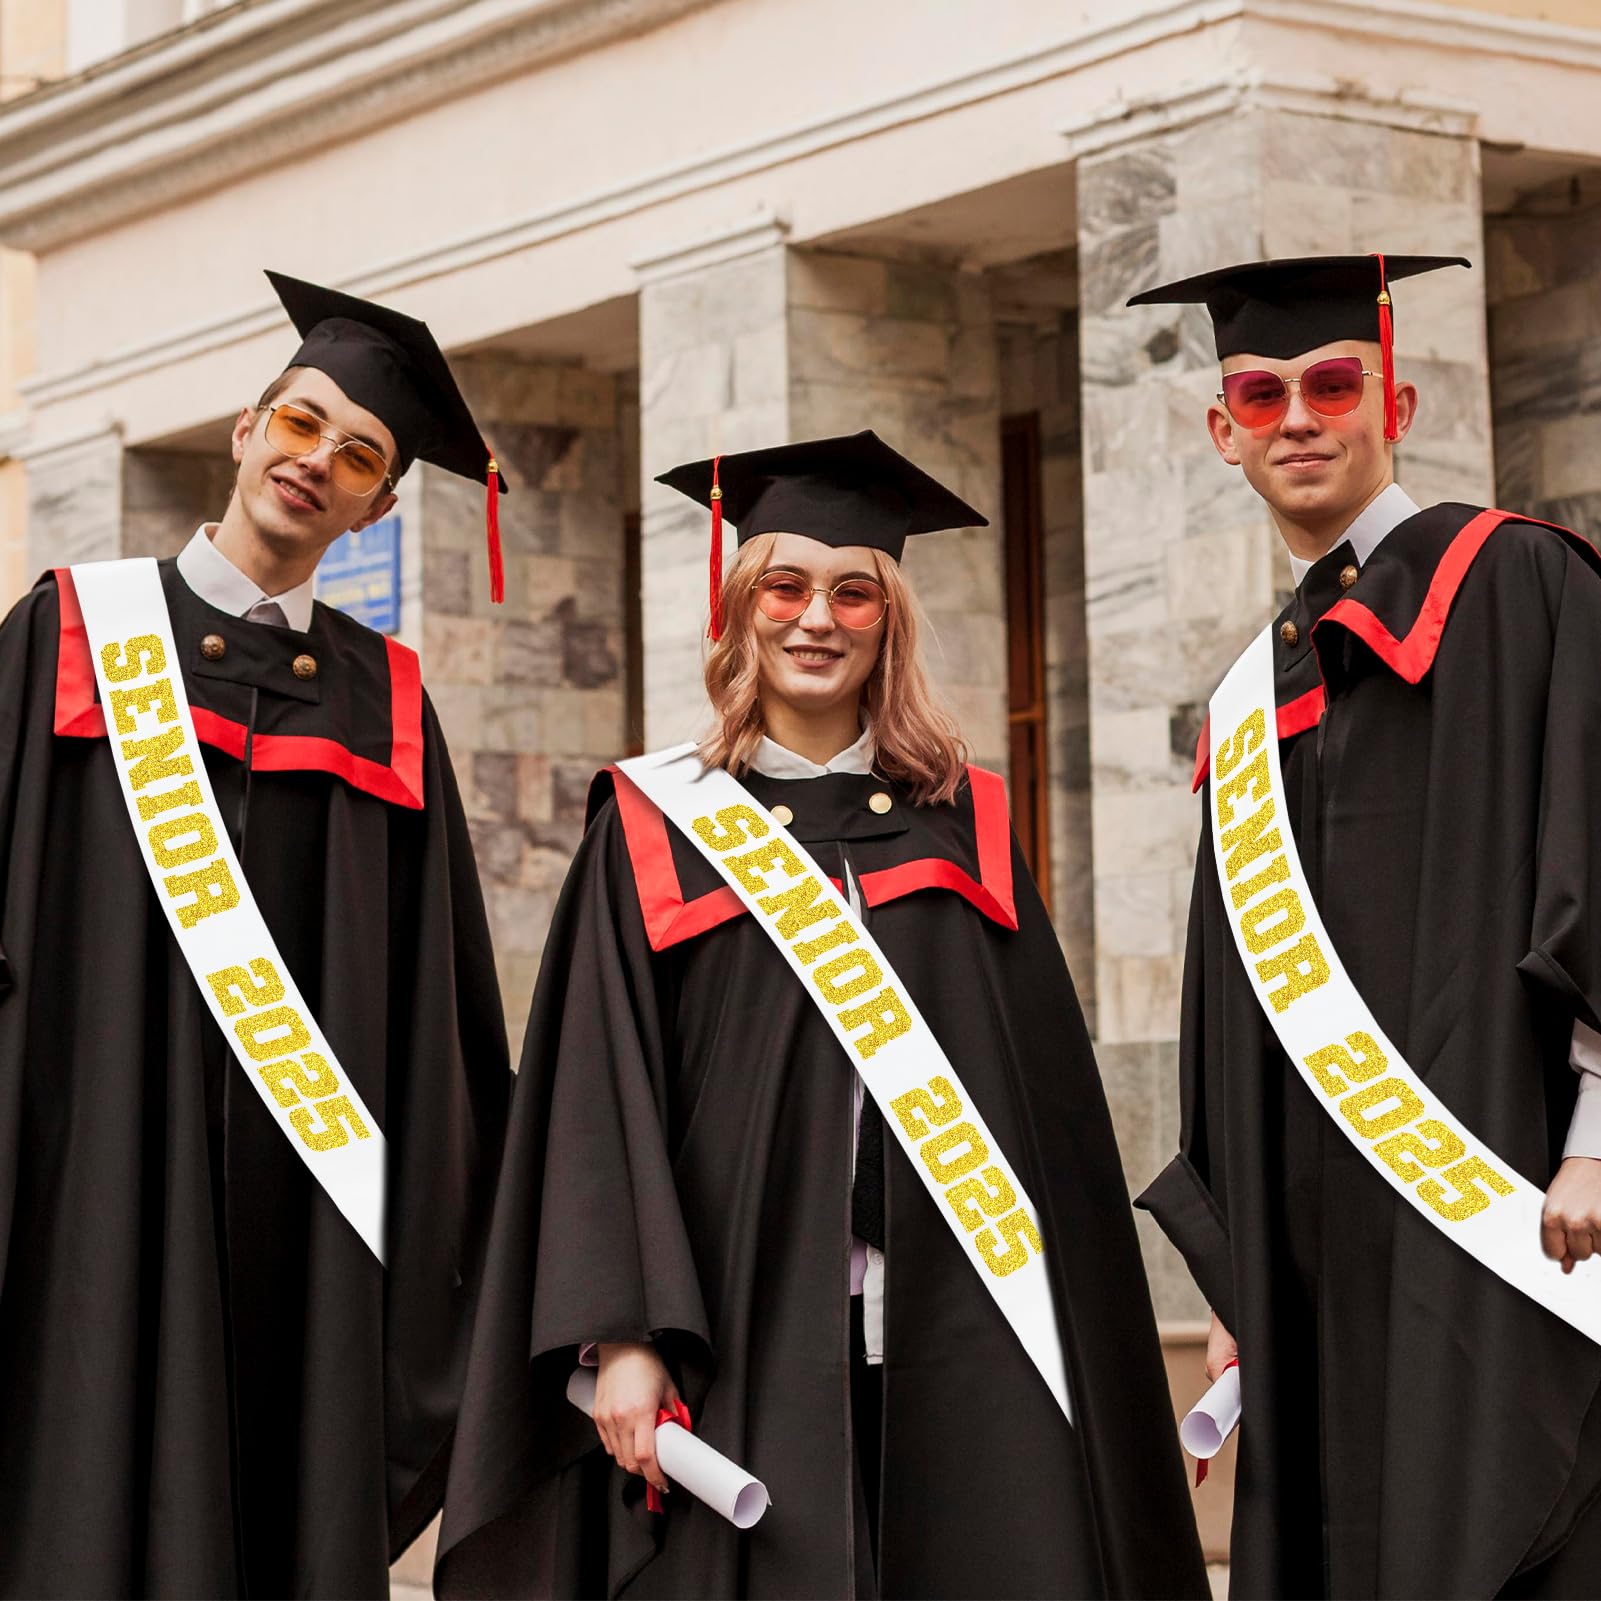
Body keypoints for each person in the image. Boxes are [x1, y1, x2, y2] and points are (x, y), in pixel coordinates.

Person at [434, 430, 1207, 1600]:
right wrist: (626, 1333)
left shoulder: (968, 827)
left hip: (963, 1312)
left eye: (853, 592)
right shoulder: (652, 824)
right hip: (737, 1308)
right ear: (741, 607)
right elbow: (598, 1092)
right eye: (786, 586)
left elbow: (1042, 1106)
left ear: (886, 619)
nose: (816, 618)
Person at [0, 271, 511, 1597]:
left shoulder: (384, 706)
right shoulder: (70, 632)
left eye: (356, 454)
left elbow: (437, 1014)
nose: (314, 463)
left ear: (378, 505)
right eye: (301, 424)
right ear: (246, 429)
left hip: (301, 1233)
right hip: (86, 1189)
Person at [1129, 253, 1601, 1598]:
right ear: (1222, 434)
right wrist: (1240, 1280)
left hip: (1518, 1203)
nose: (1298, 417)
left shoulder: (1517, 586)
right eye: (1260, 393)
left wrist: (1596, 1138)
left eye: (1330, 383)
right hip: (1319, 1262)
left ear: (1390, 394)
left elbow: (1595, 852)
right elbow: (1229, 1000)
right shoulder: (1249, 691)